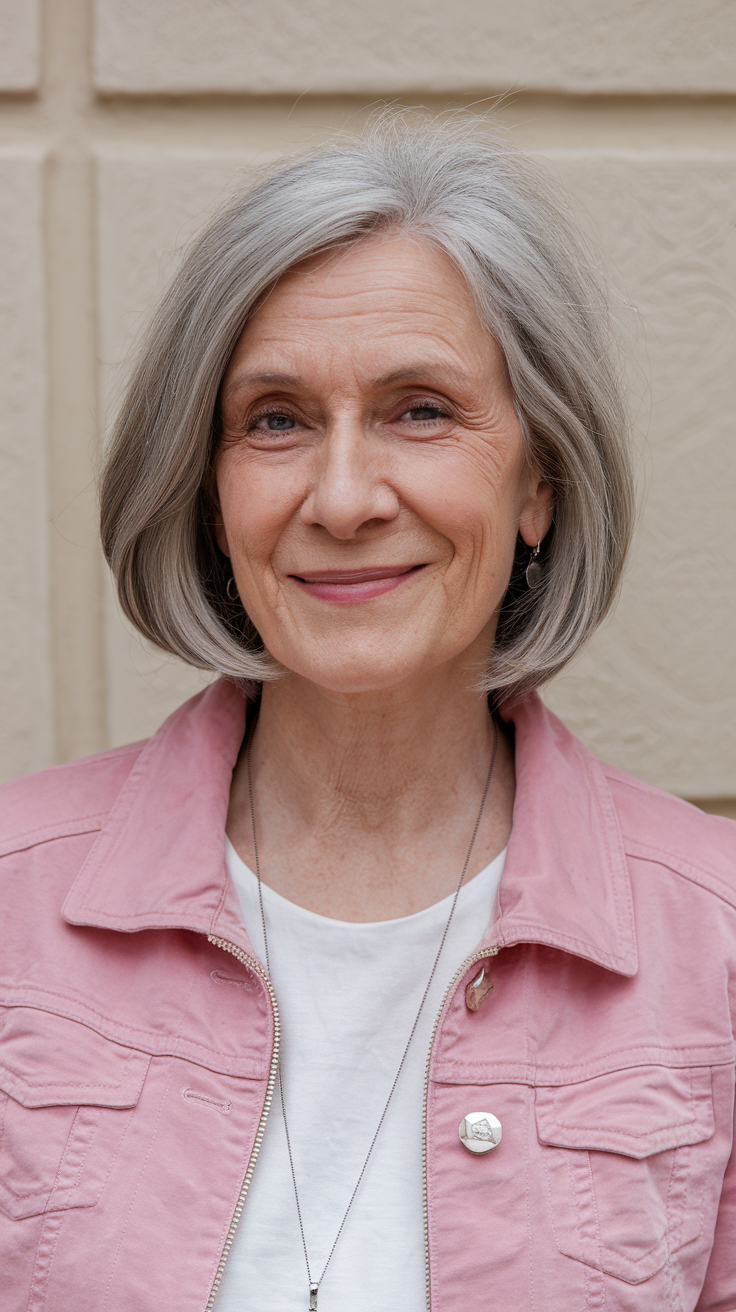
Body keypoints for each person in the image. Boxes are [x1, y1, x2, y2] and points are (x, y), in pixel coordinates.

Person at [1, 116, 734, 1312]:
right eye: (276, 420)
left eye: (421, 411)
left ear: (538, 482)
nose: (341, 498)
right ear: (209, 486)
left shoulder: (715, 946)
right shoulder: (10, 908)